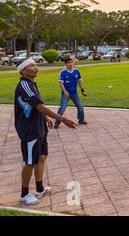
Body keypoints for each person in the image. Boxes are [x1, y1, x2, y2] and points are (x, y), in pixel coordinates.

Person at [14, 59, 77, 205]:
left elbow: (36, 106)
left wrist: (46, 117)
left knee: (41, 157)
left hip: (39, 127)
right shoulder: (24, 84)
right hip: (30, 130)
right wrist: (62, 119)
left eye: (36, 66)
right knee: (30, 161)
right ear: (23, 71)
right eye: (32, 66)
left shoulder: (31, 84)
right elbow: (39, 106)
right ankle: (24, 194)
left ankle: (40, 188)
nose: (36, 68)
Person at [54, 58, 88, 129]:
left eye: (71, 62)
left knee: (80, 107)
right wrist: (65, 91)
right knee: (62, 108)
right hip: (65, 94)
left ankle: (81, 120)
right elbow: (61, 83)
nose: (70, 64)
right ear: (65, 64)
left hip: (74, 93)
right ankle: (57, 123)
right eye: (68, 62)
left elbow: (80, 81)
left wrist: (83, 91)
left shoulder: (76, 71)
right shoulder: (63, 72)